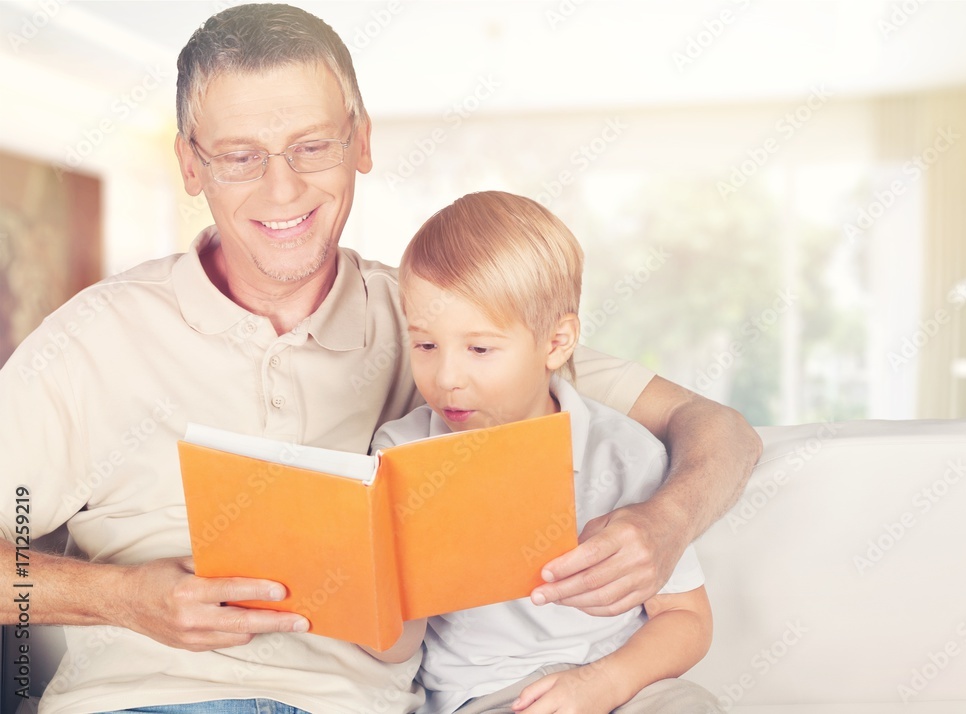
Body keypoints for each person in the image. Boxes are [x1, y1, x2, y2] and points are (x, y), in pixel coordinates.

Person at [0, 4, 759, 713]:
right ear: (190, 166)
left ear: (361, 141)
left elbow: (718, 428)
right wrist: (117, 598)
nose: (282, 186)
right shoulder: (91, 341)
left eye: (312, 146)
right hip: (152, 698)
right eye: (238, 156)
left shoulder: (440, 328)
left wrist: (667, 522)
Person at [369, 190, 723, 714]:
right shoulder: (401, 452)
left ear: (557, 342)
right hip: (487, 698)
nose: (445, 378)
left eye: (480, 349)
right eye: (425, 345)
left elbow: (688, 620)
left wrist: (605, 683)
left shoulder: (625, 453)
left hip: (621, 684)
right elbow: (396, 644)